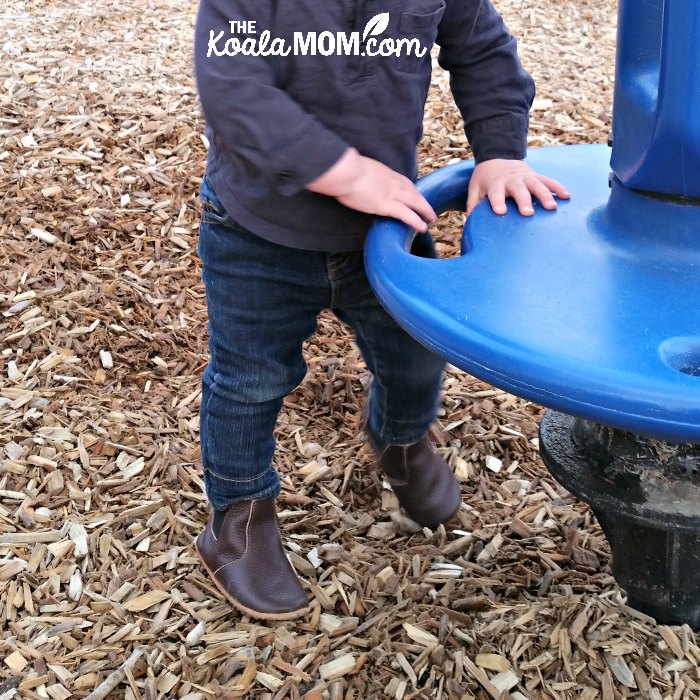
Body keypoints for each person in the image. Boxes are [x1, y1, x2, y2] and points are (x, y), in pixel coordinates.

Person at [192, 0, 570, 621]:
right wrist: (340, 171)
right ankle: (238, 517)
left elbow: (482, 50)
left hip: (384, 232)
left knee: (415, 358)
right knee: (250, 380)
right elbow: (234, 91)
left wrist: (500, 150)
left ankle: (397, 438)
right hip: (258, 233)